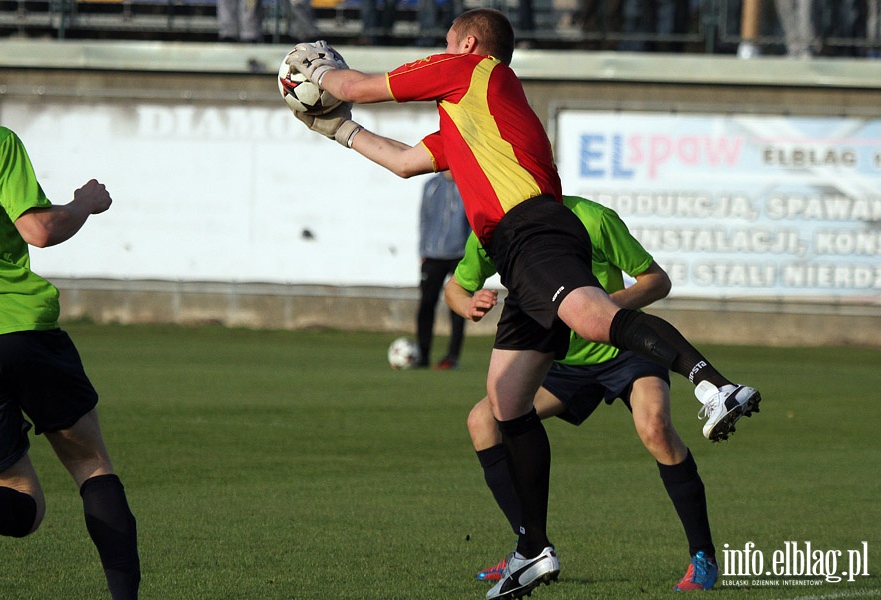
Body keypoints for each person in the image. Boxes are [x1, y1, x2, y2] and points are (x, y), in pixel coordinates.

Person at [284, 11, 760, 599]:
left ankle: (713, 384)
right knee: (505, 406)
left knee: (594, 320)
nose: (442, 50)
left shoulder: (470, 69)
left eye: (447, 40)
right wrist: (336, 132)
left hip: (532, 229)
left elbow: (358, 87)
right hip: (513, 247)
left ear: (469, 41)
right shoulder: (471, 122)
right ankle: (533, 550)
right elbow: (405, 161)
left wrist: (314, 70)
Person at [445, 195, 722, 591]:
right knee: (483, 422)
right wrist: (468, 303)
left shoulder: (592, 218)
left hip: (623, 350)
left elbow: (656, 280)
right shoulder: (496, 230)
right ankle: (530, 547)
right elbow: (454, 287)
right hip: (560, 361)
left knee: (656, 428)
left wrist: (601, 308)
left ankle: (703, 556)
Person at [0, 123, 140, 599]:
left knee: (17, 500)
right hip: (16, 326)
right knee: (91, 463)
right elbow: (40, 231)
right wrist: (84, 203)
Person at [416, 171, 471, 369]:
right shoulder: (431, 185)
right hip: (432, 255)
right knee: (426, 305)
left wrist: (471, 253)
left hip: (460, 256)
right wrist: (423, 249)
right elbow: (424, 218)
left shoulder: (467, 184)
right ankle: (422, 355)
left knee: (458, 306)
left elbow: (474, 220)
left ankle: (452, 357)